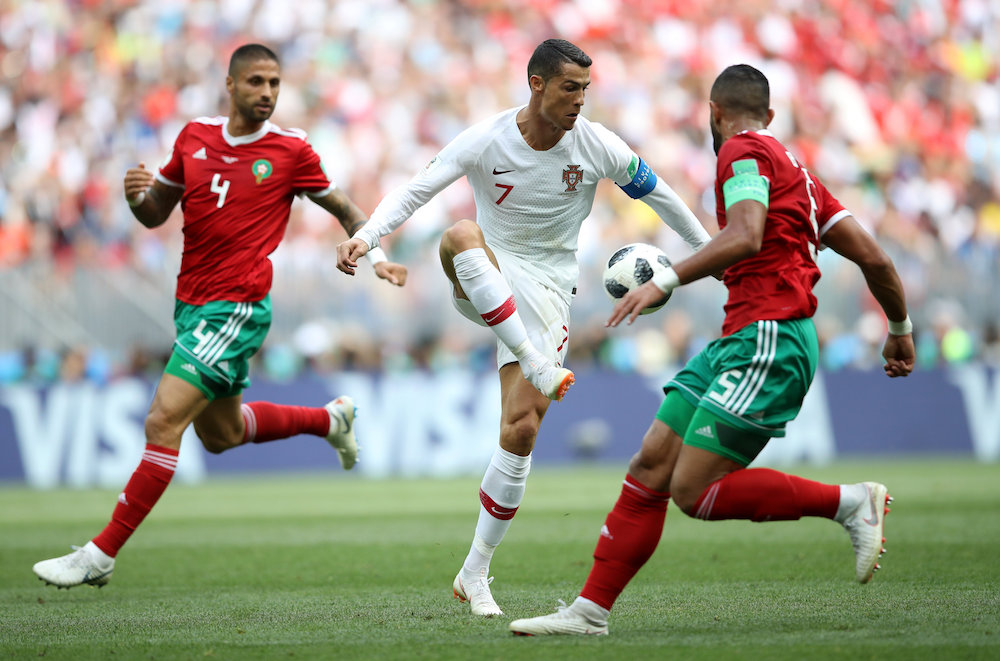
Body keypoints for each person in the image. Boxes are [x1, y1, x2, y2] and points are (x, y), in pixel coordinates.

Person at [508, 63, 916, 636]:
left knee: (693, 490)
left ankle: (850, 502)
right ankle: (590, 613)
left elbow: (746, 233)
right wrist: (900, 325)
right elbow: (875, 258)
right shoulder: (798, 172)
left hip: (770, 335)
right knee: (651, 462)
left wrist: (665, 279)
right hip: (742, 335)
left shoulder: (741, 153)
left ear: (715, 114)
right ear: (770, 115)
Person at [337, 38, 711, 617]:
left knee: (520, 430)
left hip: (546, 287)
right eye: (570, 87)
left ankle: (474, 573)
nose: (581, 99)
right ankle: (534, 360)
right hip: (484, 264)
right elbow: (418, 188)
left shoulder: (597, 145)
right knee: (459, 231)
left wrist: (711, 254)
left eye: (587, 88)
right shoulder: (488, 138)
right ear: (537, 83)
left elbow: (662, 197)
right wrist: (368, 237)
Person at [32, 43, 408, 589]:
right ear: (230, 85)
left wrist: (375, 255)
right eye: (256, 82)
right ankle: (331, 420)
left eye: (275, 83)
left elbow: (345, 208)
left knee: (163, 421)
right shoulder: (194, 137)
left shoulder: (291, 150)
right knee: (222, 434)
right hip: (192, 304)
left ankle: (99, 554)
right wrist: (137, 199)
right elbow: (156, 212)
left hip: (238, 306)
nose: (268, 93)